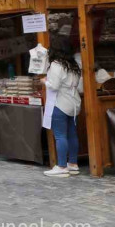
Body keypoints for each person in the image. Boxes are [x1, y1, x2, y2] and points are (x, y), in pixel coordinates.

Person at [43, 44, 83, 177]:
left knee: (60, 136)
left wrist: (45, 81)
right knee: (72, 134)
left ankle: (61, 166)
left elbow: (54, 86)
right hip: (74, 102)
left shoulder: (56, 64)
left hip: (59, 102)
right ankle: (73, 163)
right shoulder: (73, 65)